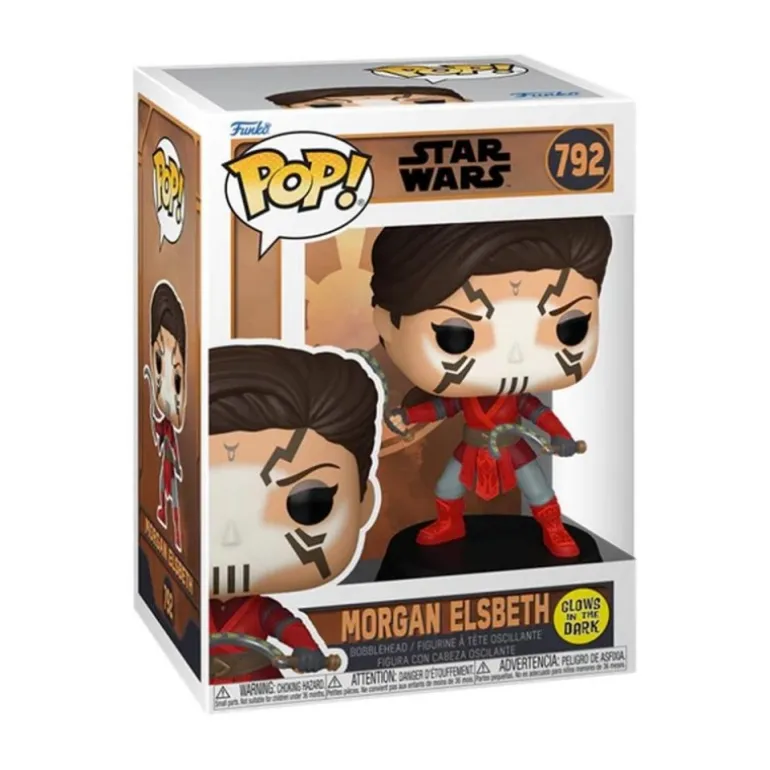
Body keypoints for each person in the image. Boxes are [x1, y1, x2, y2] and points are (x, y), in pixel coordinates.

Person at [370, 218, 613, 557]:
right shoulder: (466, 396)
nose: (515, 358)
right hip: (472, 448)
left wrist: (562, 437)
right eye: (456, 336)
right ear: (386, 324)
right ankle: (450, 523)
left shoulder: (517, 399)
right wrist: (409, 416)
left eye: (568, 328)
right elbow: (442, 407)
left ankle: (553, 529)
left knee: (538, 490)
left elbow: (539, 414)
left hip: (512, 448)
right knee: (447, 486)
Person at [208, 344, 380, 682]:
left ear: (365, 505)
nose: (232, 538)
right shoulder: (189, 605)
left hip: (260, 682)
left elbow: (287, 626)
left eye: (309, 505)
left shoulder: (261, 610)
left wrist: (308, 652)